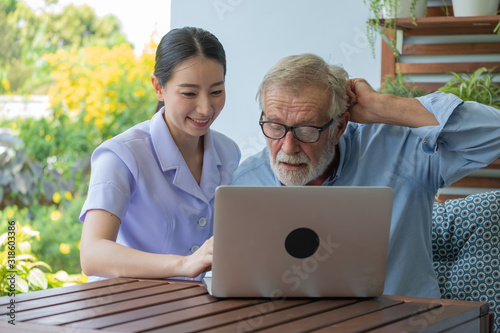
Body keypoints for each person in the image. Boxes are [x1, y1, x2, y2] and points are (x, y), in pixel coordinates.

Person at [230, 53, 500, 297]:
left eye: (307, 130)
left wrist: (384, 106)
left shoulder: (400, 151)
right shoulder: (245, 182)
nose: (288, 148)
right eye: (275, 126)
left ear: (339, 127)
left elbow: (494, 132)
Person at [79, 27, 240, 282]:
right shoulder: (121, 156)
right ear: (158, 88)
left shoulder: (228, 151)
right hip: (125, 309)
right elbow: (92, 254)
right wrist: (184, 264)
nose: (206, 107)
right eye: (189, 93)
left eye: (216, 91)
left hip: (192, 307)